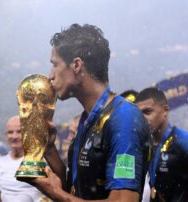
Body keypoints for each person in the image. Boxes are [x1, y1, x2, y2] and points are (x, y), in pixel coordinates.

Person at [27, 24, 150, 201]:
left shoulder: (124, 118)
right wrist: (48, 148)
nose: (50, 76)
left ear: (76, 65)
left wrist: (56, 193)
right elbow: (75, 191)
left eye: (55, 65)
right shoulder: (87, 119)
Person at [0, 115, 47, 202]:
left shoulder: (37, 160)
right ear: (6, 135)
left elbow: (51, 193)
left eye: (19, 132)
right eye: (10, 132)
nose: (14, 136)